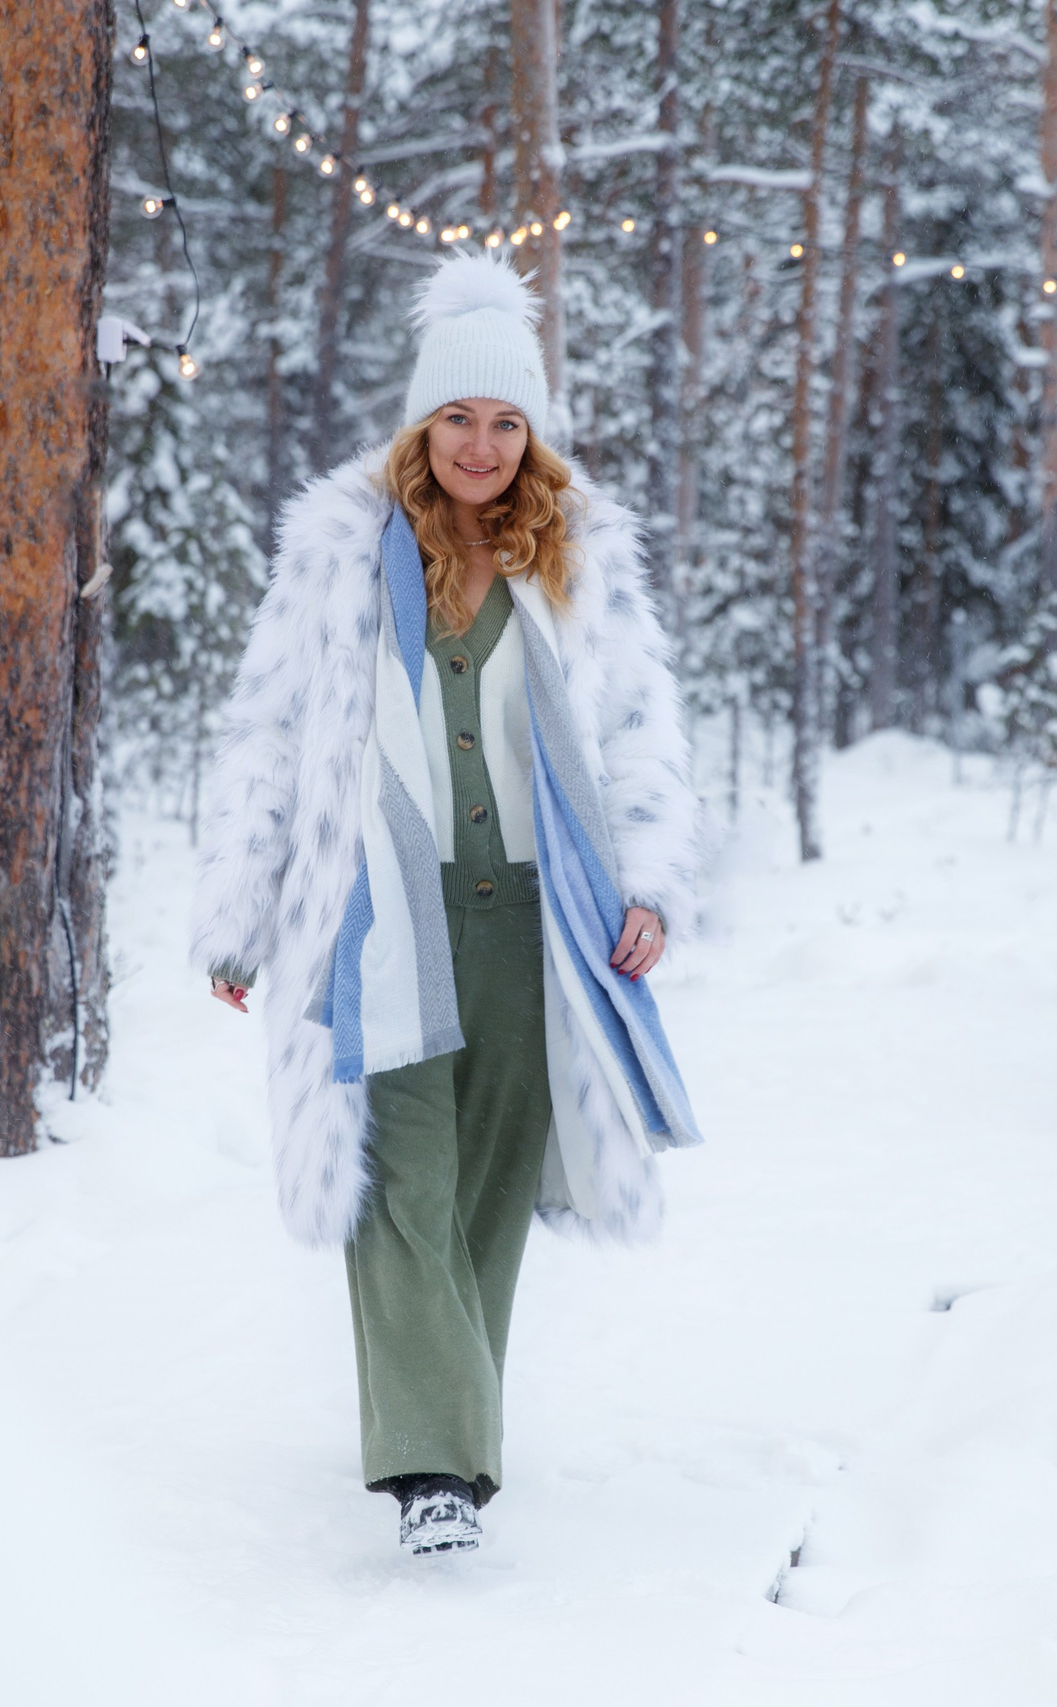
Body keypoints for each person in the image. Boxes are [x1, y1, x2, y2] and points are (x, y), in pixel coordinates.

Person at [190, 255, 705, 1558]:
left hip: (535, 921)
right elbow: (266, 726)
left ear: (531, 433)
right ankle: (436, 1473)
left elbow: (643, 727)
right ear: (422, 427)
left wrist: (650, 882)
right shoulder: (342, 556)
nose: (480, 443)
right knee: (399, 1179)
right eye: (458, 418)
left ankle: (452, 1427)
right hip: (378, 913)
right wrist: (239, 905)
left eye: (505, 420)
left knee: (486, 1184)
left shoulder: (579, 555)